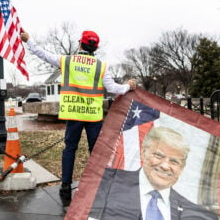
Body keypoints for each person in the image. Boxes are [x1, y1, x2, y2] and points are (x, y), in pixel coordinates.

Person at [20, 30, 136, 204]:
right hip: (93, 116)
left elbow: (42, 54)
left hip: (73, 113)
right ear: (95, 48)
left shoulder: (67, 61)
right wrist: (128, 86)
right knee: (95, 152)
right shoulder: (101, 66)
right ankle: (97, 185)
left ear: (80, 44)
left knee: (70, 149)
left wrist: (28, 40)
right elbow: (114, 89)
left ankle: (65, 187)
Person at [89, 126, 219, 220]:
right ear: (143, 152)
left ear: (182, 168)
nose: (164, 166)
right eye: (158, 155)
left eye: (174, 161)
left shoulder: (199, 215)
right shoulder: (104, 184)